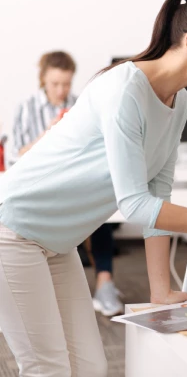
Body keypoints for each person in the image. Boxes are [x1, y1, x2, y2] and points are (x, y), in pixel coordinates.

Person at [0, 0, 187, 377]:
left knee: (90, 366)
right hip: (13, 230)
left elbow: (158, 193)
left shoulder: (181, 103)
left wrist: (160, 290)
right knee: (48, 368)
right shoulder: (126, 89)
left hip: (57, 243)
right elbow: (136, 204)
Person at [9, 50, 124, 317]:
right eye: (55, 84)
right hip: (39, 183)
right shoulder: (26, 109)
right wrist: (48, 135)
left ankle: (105, 284)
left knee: (98, 212)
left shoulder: (81, 104)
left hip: (74, 180)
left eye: (66, 84)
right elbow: (17, 156)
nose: (61, 90)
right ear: (43, 81)